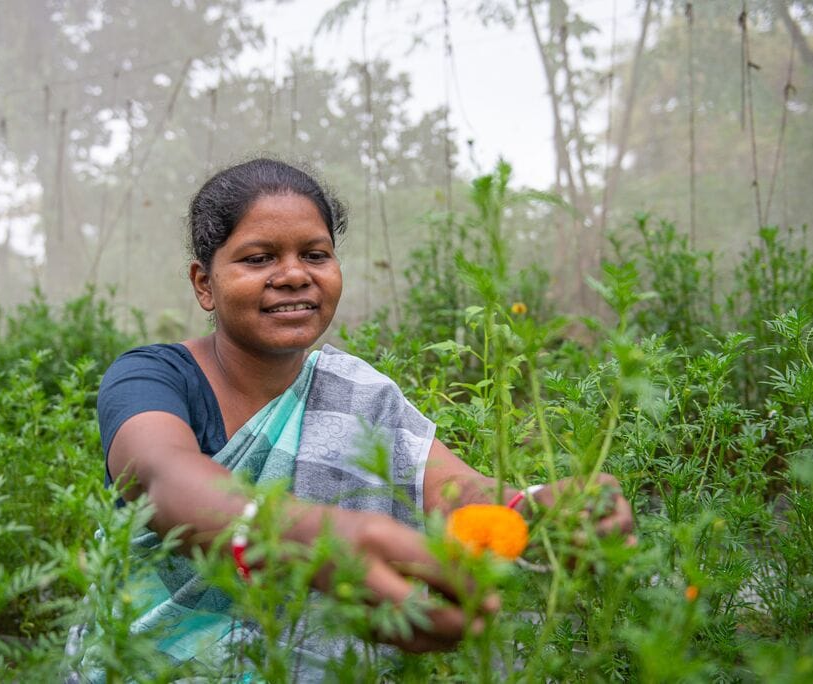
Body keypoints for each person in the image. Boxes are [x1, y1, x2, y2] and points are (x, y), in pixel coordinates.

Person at [90, 158, 633, 677]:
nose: (294, 275)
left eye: (315, 254)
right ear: (204, 283)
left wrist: (532, 508)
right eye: (258, 259)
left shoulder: (360, 393)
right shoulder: (152, 377)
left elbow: (453, 490)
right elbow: (159, 477)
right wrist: (303, 539)